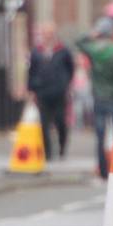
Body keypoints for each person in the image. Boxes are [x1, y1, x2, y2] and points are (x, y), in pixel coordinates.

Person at [76, 17, 113, 179]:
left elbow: (78, 41)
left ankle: (102, 170)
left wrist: (92, 34)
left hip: (98, 96)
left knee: (100, 134)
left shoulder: (93, 49)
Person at [27, 22, 74, 161]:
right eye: (45, 33)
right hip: (42, 91)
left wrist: (65, 83)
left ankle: (62, 147)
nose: (47, 36)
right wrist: (31, 90)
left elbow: (70, 68)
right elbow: (31, 71)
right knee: (44, 123)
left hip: (59, 91)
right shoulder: (36, 51)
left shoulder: (63, 50)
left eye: (50, 33)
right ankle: (47, 152)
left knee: (60, 121)